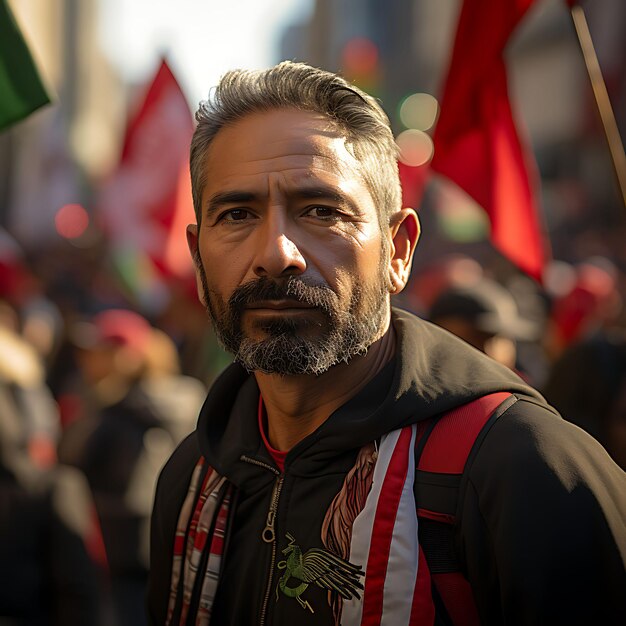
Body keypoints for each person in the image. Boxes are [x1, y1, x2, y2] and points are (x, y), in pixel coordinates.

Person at [147, 62, 626, 626]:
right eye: (237, 214)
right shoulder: (192, 479)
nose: (277, 252)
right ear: (199, 257)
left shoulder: (527, 472)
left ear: (398, 250)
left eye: (321, 211)